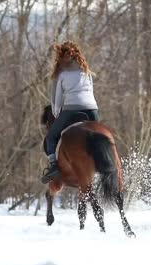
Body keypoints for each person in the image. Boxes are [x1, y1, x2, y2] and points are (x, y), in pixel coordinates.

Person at [41, 41, 100, 183]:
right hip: (92, 108)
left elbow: (56, 98)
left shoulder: (60, 72)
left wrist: (56, 113)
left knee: (51, 136)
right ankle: (102, 163)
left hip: (71, 109)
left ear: (60, 57)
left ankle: (54, 166)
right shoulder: (86, 69)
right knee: (98, 138)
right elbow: (91, 91)